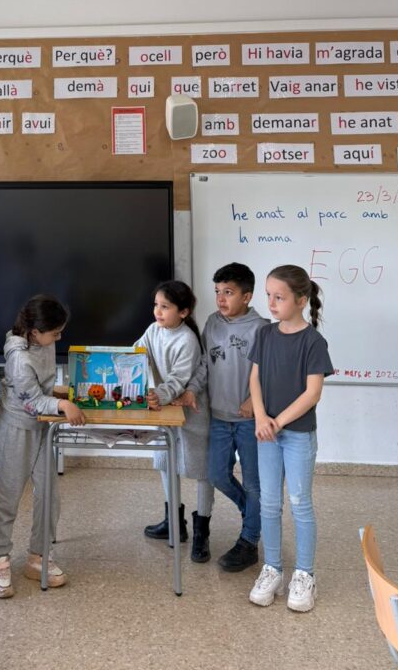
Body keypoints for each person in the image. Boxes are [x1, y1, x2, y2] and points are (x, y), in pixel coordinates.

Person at [248, 265, 334, 613]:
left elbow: (312, 393)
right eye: (268, 296)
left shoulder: (313, 341)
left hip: (296, 435)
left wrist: (277, 422)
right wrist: (260, 417)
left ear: (301, 300)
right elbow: (254, 379)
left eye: (279, 297)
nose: (271, 303)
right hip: (266, 433)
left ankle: (304, 574)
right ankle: (272, 568)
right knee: (269, 503)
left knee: (300, 503)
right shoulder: (264, 335)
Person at [0, 295, 85, 598]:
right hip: (16, 428)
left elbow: (42, 388)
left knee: (49, 493)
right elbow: (32, 402)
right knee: (7, 496)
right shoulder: (19, 357)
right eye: (55, 333)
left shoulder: (43, 341)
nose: (59, 338)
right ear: (33, 332)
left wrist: (60, 396)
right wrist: (62, 405)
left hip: (43, 425)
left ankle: (39, 556)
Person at [135, 280, 214, 563]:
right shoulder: (153, 330)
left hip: (191, 413)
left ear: (183, 312)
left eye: (165, 307)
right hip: (164, 410)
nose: (157, 311)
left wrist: (157, 395)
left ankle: (202, 531)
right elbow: (135, 354)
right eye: (156, 305)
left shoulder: (187, 340)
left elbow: (178, 380)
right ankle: (174, 523)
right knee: (166, 462)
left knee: (201, 470)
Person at [203, 262, 269, 573]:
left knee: (254, 483)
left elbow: (271, 372)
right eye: (218, 291)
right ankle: (253, 513)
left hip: (249, 420)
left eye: (228, 292)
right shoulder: (211, 323)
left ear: (247, 296)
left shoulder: (262, 328)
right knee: (217, 475)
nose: (221, 298)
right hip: (218, 416)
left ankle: (249, 540)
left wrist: (254, 401)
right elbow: (203, 365)